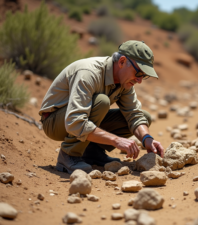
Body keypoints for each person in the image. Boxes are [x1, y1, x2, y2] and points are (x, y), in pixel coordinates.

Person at [39, 40, 164, 174]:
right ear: (122, 62)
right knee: (102, 102)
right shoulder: (89, 73)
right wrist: (115, 140)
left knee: (144, 117)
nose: (139, 80)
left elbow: (134, 115)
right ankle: (69, 155)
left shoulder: (125, 81)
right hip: (54, 121)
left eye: (144, 76)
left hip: (77, 119)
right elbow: (75, 121)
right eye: (138, 73)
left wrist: (146, 138)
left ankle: (92, 152)